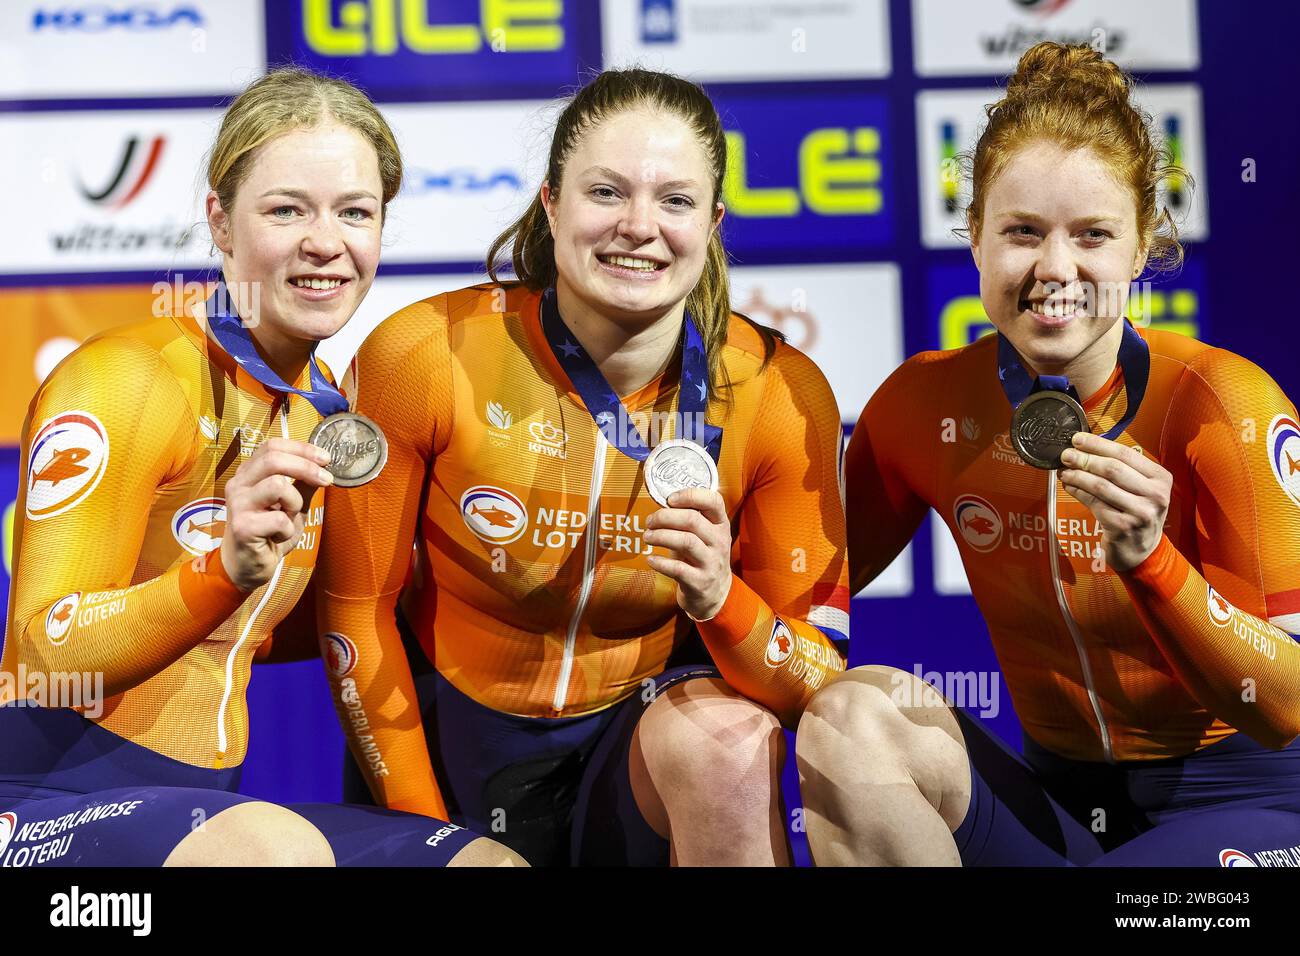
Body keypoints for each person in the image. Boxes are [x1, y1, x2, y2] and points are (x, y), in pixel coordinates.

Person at [317, 68, 850, 866]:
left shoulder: (776, 394)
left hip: (635, 760)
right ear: (551, 204)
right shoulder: (423, 354)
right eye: (606, 193)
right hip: (441, 748)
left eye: (675, 201)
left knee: (732, 743)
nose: (639, 226)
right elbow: (355, 613)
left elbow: (817, 678)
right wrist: (435, 838)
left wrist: (720, 599)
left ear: (712, 224)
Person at [0, 67, 521, 867]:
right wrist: (220, 570)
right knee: (272, 854)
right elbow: (42, 655)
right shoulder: (128, 380)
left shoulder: (329, 418)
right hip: (38, 801)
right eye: (287, 210)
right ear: (220, 220)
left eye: (355, 212)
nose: (326, 242)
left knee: (481, 864)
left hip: (205, 811)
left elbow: (288, 629)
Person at [797, 41, 1300, 867]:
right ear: (975, 239)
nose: (1054, 268)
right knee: (855, 717)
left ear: (1140, 250)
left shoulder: (1221, 405)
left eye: (1092, 236)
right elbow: (800, 581)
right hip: (1055, 806)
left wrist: (1152, 563)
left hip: (1247, 801)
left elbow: (1284, 706)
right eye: (1022, 232)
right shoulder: (926, 404)